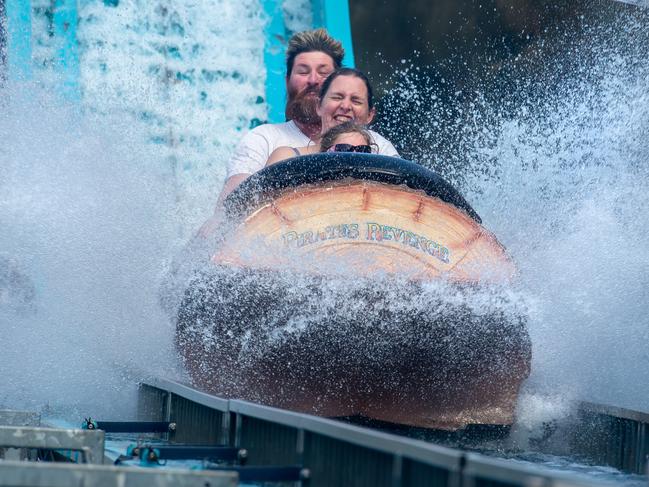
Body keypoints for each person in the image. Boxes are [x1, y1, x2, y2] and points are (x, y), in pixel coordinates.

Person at [265, 68, 382, 165]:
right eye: (337, 97)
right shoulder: (286, 158)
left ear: (370, 115)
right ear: (318, 106)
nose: (346, 106)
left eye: (356, 101)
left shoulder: (383, 157)